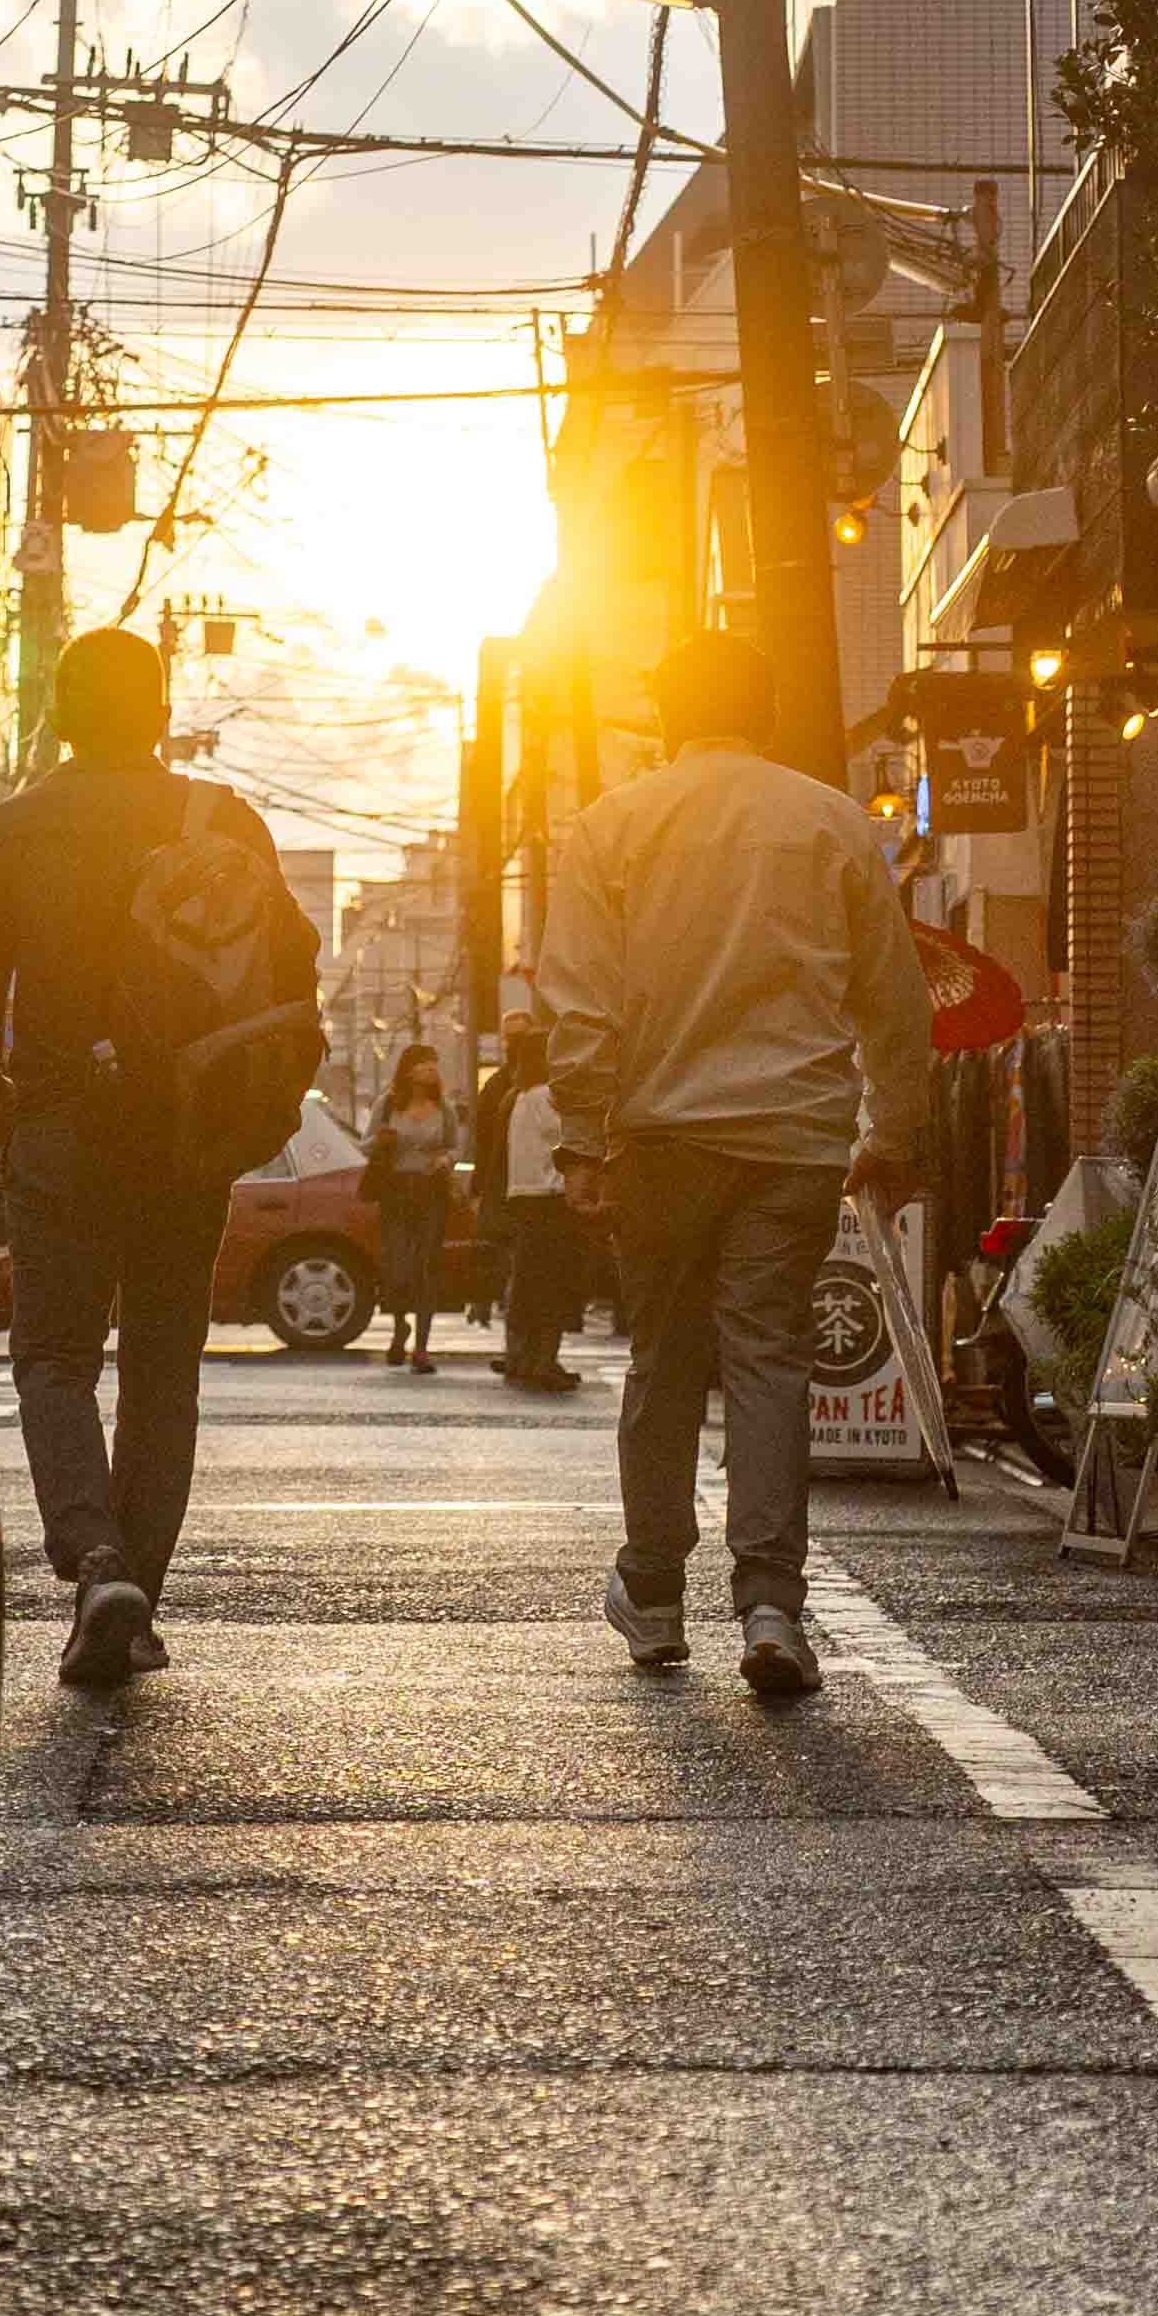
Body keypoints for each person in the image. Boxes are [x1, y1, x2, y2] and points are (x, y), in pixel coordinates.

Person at [540, 629, 936, 1709]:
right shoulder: (831, 823)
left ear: (667, 713)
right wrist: (895, 1127)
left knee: (664, 1357)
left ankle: (656, 1596)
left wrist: (583, 1135)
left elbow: (577, 997)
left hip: (660, 1133)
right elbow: (894, 995)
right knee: (767, 1354)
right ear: (762, 708)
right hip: (795, 1135)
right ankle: (770, 1603)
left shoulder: (612, 825)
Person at [0, 618, 308, 1701]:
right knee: (163, 1366)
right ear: (159, 714)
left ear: (60, 713)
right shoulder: (222, 816)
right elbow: (287, 974)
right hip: (187, 1131)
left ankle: (95, 1564)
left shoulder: (13, 828)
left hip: (61, 1123)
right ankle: (131, 1595)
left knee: (53, 1357)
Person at [490, 1014, 586, 1398]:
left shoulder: (516, 1098)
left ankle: (525, 1357)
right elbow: (572, 1135)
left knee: (529, 1283)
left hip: (523, 1199)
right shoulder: (547, 1098)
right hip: (551, 1200)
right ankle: (544, 1360)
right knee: (554, 1285)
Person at [359, 1028, 464, 1370]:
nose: (432, 1070)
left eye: (434, 1065)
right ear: (409, 1070)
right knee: (399, 1267)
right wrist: (383, 1140)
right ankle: (399, 1326)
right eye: (425, 1065)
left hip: (430, 1191)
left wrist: (445, 1160)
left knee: (426, 1269)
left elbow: (455, 1146)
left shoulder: (443, 1108)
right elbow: (366, 1143)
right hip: (396, 1191)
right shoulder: (389, 1102)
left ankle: (421, 1347)